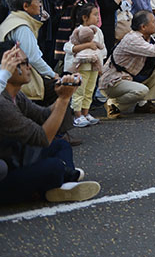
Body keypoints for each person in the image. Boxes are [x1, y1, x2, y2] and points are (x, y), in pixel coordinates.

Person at [0, 49, 101, 204]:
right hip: (5, 175)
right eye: (24, 63)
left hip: (15, 158)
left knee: (61, 146)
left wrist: (63, 94)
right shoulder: (3, 104)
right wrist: (64, 99)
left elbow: (44, 116)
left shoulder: (16, 95)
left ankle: (63, 184)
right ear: (7, 68)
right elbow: (42, 137)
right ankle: (62, 179)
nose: (30, 67)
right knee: (54, 167)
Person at [99, 10, 155, 118]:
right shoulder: (133, 38)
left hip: (128, 77)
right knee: (142, 91)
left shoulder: (147, 37)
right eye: (153, 21)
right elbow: (154, 51)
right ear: (143, 27)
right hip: (113, 81)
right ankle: (113, 105)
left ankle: (143, 104)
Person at [0, 0, 59, 102]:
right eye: (37, 0)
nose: (40, 4)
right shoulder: (22, 27)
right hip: (20, 80)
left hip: (11, 76)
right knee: (61, 89)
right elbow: (33, 58)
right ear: (26, 6)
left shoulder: (11, 20)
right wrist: (54, 75)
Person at [67, 4, 106, 127]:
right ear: (85, 17)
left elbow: (102, 49)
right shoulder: (78, 31)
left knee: (89, 90)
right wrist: (87, 46)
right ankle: (77, 115)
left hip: (94, 66)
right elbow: (69, 47)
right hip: (81, 66)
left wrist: (101, 67)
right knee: (79, 90)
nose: (98, 17)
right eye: (95, 15)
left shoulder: (98, 31)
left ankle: (85, 113)